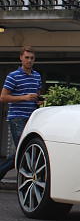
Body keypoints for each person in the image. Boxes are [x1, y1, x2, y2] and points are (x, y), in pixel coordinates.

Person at [0, 46, 42, 181]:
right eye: (27, 58)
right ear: (21, 58)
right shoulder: (13, 76)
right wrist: (24, 97)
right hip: (17, 117)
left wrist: (39, 101)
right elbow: (3, 97)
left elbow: (36, 95)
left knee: (24, 151)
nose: (29, 60)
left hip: (32, 118)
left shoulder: (37, 76)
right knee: (24, 150)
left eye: (32, 58)